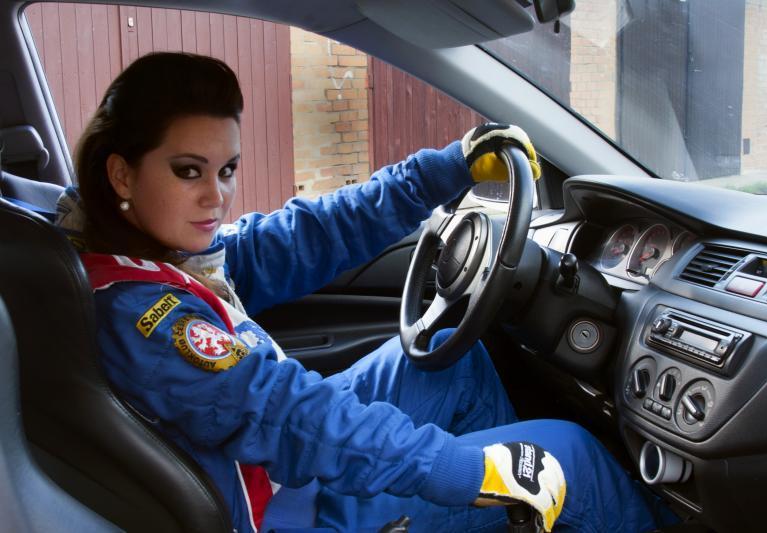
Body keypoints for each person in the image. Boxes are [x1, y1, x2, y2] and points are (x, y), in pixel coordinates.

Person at [55, 52, 675, 533]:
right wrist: (469, 472)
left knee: (450, 359)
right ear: (121, 174)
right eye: (188, 171)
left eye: (227, 170)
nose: (215, 196)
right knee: (568, 457)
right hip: (291, 513)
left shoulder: (157, 256)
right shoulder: (145, 317)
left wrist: (442, 170)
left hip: (278, 473)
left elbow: (303, 237)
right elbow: (286, 416)